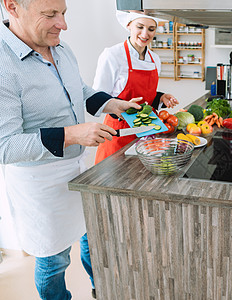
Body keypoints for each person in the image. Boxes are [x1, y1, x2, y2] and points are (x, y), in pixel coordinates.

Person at [0, 0, 141, 298]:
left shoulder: (60, 48)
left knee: (92, 238)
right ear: (13, 7)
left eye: (63, 13)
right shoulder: (3, 63)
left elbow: (80, 91)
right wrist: (71, 135)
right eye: (50, 15)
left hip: (78, 168)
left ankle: (101, 289)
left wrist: (113, 104)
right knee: (54, 260)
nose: (62, 24)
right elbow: (5, 146)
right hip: (40, 184)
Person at [93, 10, 179, 164]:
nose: (145, 34)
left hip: (147, 132)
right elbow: (96, 99)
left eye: (151, 29)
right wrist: (120, 106)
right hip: (118, 132)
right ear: (128, 25)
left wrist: (160, 97)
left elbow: (147, 97)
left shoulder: (155, 59)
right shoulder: (112, 55)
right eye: (140, 27)